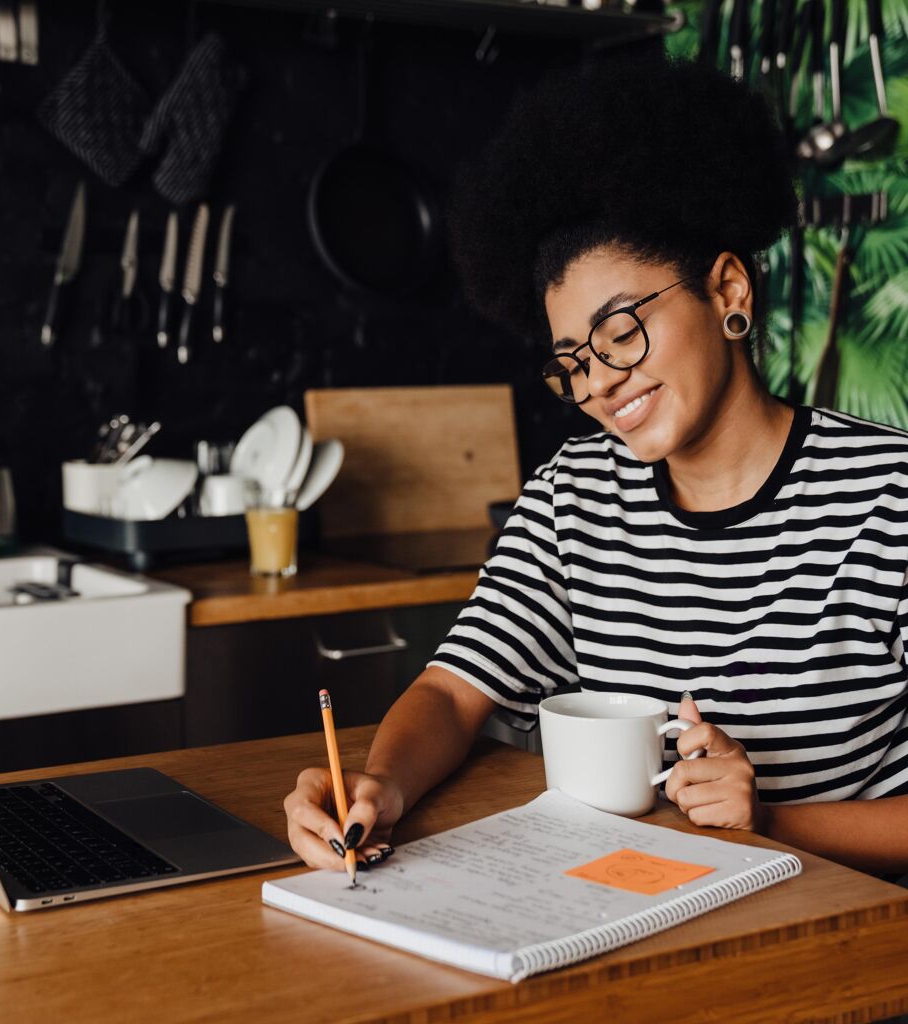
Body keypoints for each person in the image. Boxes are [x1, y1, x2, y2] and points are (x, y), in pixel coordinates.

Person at [283, 50, 908, 881]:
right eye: (574, 360)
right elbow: (451, 691)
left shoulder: (888, 497)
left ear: (727, 290)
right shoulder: (573, 500)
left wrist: (768, 820)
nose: (602, 382)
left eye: (621, 333)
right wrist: (380, 787)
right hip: (640, 920)